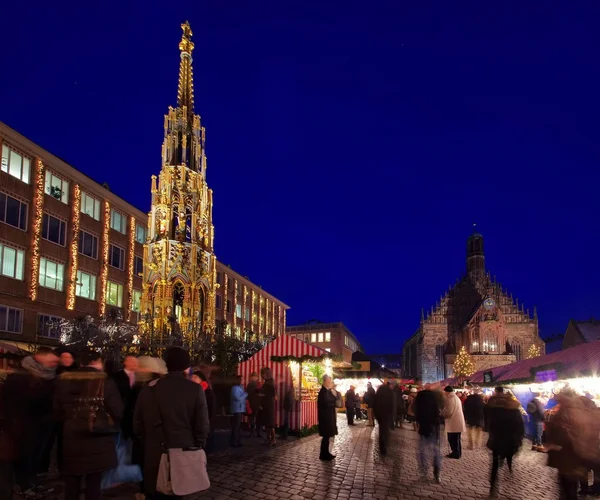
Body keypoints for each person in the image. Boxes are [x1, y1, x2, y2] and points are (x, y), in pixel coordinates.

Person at [134, 346, 209, 500]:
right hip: (184, 451)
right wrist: (198, 444)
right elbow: (202, 424)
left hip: (155, 452)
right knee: (178, 493)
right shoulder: (195, 389)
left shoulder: (149, 388)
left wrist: (149, 443)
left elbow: (138, 425)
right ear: (186, 366)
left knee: (156, 493)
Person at [55, 350, 123, 500]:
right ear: (97, 362)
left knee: (72, 483)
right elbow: (117, 410)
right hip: (97, 437)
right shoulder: (104, 381)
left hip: (71, 437)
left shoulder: (64, 381)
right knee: (94, 483)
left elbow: (56, 408)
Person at [4, 347, 59, 498]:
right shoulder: (21, 376)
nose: (54, 364)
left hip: (43, 423)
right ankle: (23, 486)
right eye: (51, 360)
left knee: (36, 455)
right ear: (40, 358)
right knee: (24, 456)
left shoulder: (50, 377)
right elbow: (13, 402)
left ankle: (32, 482)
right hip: (24, 424)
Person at [486, 387, 525, 498]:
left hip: (497, 442)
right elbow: (521, 427)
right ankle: (510, 487)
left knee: (495, 466)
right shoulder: (515, 411)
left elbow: (491, 425)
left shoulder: (496, 411)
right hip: (511, 442)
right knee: (510, 463)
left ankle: (494, 489)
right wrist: (519, 440)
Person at [414, 384, 442, 483]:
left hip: (423, 425)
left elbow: (416, 411)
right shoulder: (436, 396)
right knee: (435, 450)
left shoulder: (420, 396)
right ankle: (437, 473)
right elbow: (439, 411)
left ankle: (424, 471)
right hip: (434, 426)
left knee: (422, 450)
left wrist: (417, 422)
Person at [191, 371, 216, 451]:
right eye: (192, 377)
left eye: (195, 377)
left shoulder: (208, 393)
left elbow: (211, 411)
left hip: (204, 423)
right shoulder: (191, 391)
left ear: (202, 379)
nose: (192, 379)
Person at [317, 375, 337, 461]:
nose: (330, 382)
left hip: (328, 416)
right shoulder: (323, 392)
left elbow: (334, 398)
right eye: (329, 381)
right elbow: (325, 403)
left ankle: (326, 453)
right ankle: (323, 454)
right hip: (325, 418)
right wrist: (333, 403)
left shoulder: (327, 391)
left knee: (327, 436)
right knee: (326, 436)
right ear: (325, 381)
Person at [442, 386, 466, 459]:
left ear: (447, 392)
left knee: (453, 439)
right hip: (456, 421)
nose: (444, 393)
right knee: (456, 438)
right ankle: (457, 453)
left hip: (454, 422)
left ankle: (456, 453)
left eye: (445, 392)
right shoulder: (455, 397)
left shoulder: (450, 399)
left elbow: (448, 411)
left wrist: (441, 413)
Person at [374, 379, 394, 455]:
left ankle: (382, 446)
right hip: (387, 414)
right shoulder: (389, 392)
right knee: (385, 431)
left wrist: (376, 415)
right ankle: (384, 447)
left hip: (380, 414)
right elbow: (392, 405)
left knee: (381, 430)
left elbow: (375, 403)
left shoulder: (379, 391)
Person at [258, 367, 277, 446]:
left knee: (269, 423)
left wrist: (260, 394)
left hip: (268, 405)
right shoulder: (268, 382)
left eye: (263, 374)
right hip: (267, 405)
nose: (262, 376)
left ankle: (272, 439)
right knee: (267, 423)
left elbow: (269, 394)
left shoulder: (268, 383)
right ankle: (269, 439)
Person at [230, 375, 247, 448]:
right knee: (236, 426)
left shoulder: (240, 388)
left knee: (238, 426)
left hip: (240, 409)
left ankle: (238, 441)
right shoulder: (234, 388)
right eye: (242, 379)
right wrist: (245, 394)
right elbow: (237, 398)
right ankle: (234, 442)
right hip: (237, 409)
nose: (243, 381)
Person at [246, 373, 261, 438]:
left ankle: (257, 432)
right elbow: (248, 394)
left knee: (256, 419)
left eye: (255, 377)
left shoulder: (258, 384)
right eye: (253, 377)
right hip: (252, 404)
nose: (253, 378)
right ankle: (254, 432)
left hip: (256, 404)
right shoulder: (251, 385)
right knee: (253, 418)